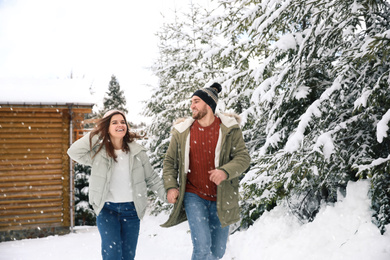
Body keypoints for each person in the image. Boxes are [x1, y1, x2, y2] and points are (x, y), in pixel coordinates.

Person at [161, 83, 251, 260]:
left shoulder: (229, 129)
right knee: (202, 249)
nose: (191, 106)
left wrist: (225, 171)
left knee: (217, 252)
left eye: (196, 101)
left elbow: (243, 158)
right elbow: (170, 161)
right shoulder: (182, 131)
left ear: (209, 105)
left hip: (222, 196)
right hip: (194, 196)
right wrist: (171, 186)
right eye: (191, 102)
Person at [67, 110, 166, 260]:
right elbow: (73, 152)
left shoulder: (138, 152)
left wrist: (167, 196)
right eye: (114, 122)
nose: (120, 125)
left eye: (122, 122)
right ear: (106, 127)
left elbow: (151, 178)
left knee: (128, 256)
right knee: (112, 255)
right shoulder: (98, 153)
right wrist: (98, 133)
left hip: (132, 211)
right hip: (107, 210)